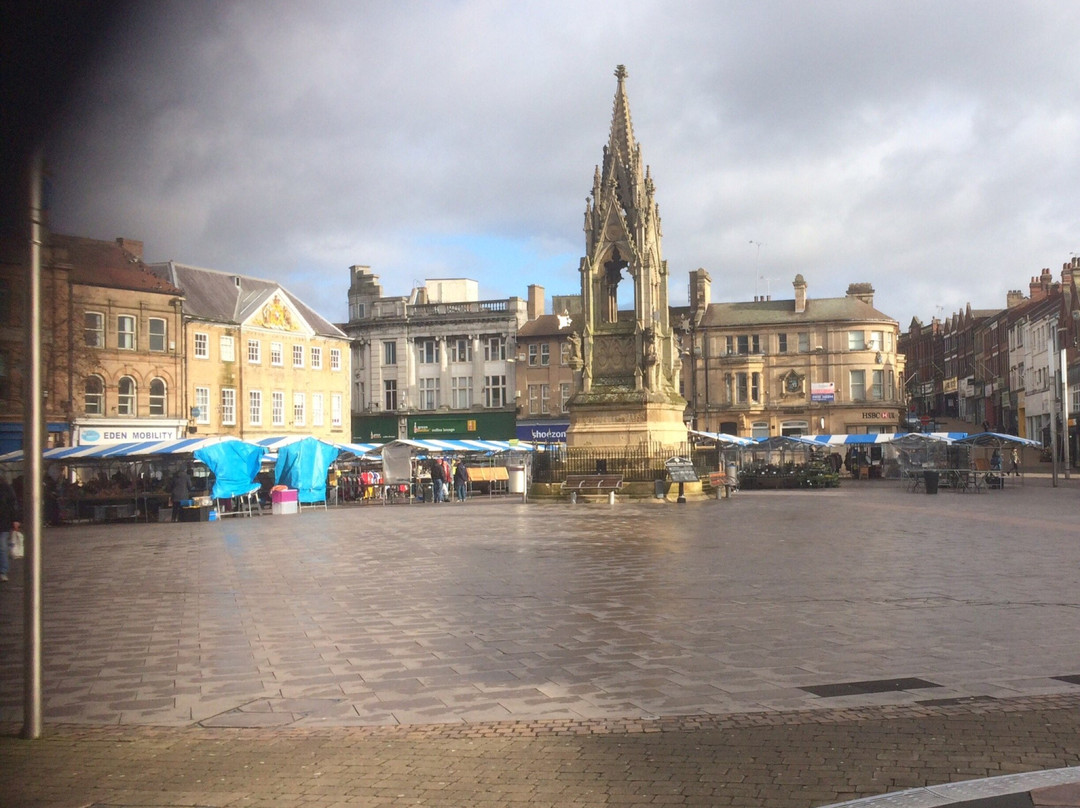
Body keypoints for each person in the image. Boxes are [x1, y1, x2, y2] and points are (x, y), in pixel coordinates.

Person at [0, 473, 18, 582]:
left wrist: (15, 519)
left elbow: (13, 503)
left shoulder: (5, 488)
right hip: (4, 521)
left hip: (3, 521)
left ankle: (3, 571)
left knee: (2, 546)